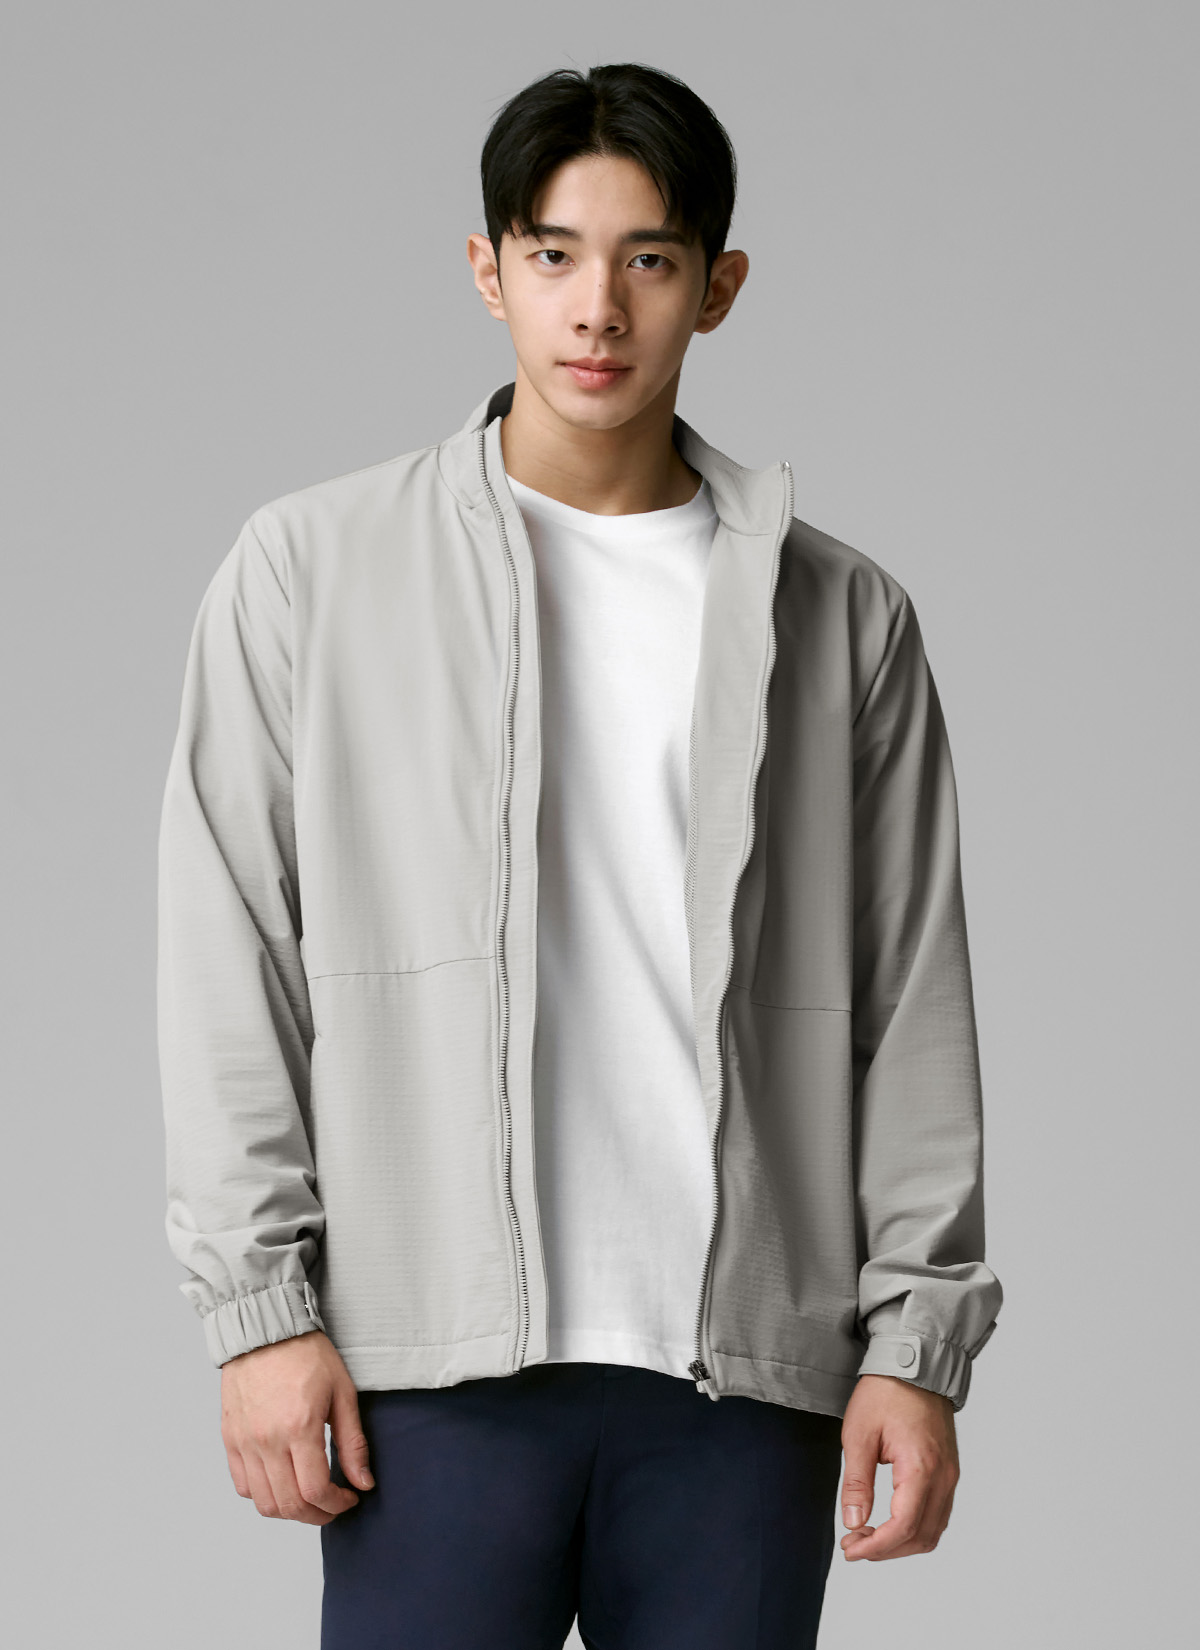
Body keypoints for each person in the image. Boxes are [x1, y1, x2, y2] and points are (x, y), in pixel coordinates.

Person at [157, 60, 1003, 1650]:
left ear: (718, 287)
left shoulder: (841, 615)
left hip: (742, 1386)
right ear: (488, 272)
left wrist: (916, 1344)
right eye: (554, 254)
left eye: (649, 259)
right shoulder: (310, 572)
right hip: (431, 1376)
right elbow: (231, 959)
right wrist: (258, 1314)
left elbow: (912, 1001)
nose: (598, 306)